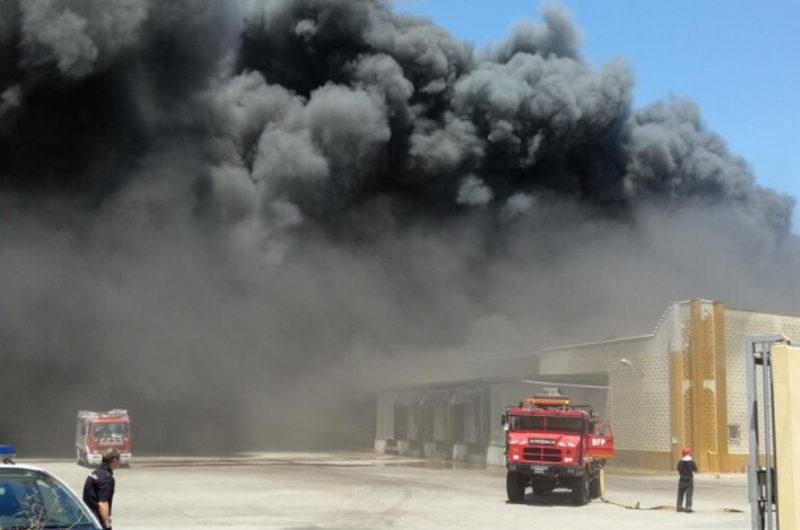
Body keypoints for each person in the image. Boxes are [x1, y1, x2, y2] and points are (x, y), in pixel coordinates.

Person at [83, 447, 120, 529]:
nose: (119, 462)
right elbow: (103, 504)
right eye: (119, 460)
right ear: (114, 460)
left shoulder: (94, 473)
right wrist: (107, 525)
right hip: (96, 522)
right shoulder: (107, 478)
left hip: (87, 519)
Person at [676, 447, 698, 513]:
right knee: (689, 494)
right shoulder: (692, 462)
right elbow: (696, 470)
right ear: (689, 454)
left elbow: (678, 469)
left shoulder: (680, 462)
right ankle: (688, 508)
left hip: (681, 480)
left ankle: (679, 507)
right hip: (689, 480)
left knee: (680, 494)